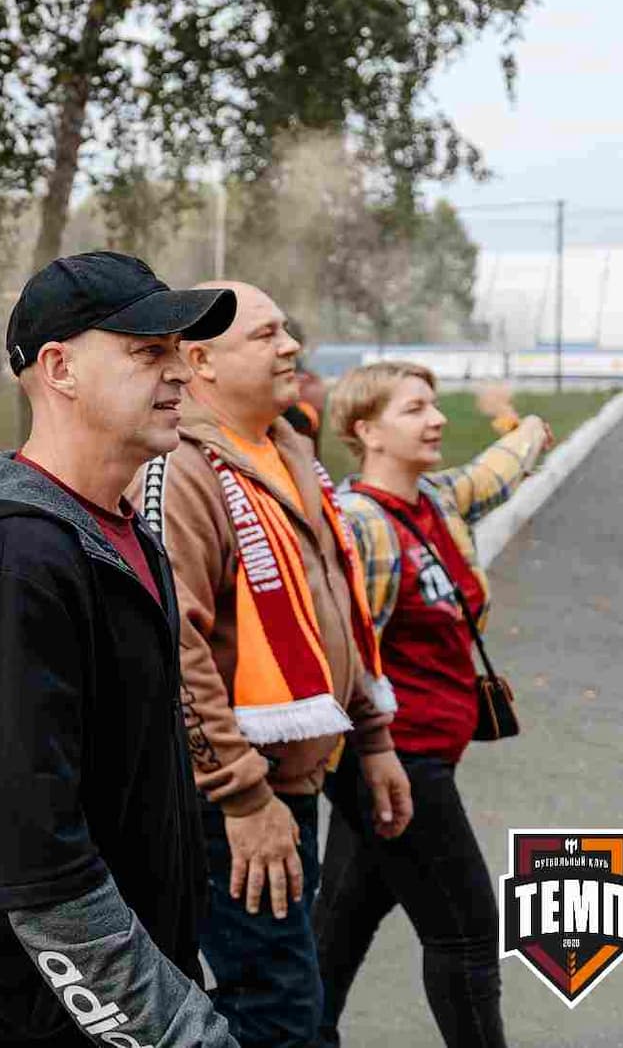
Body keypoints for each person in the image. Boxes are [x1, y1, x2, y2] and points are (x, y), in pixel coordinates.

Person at [0, 252, 238, 1047]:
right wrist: (171, 1025)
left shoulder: (121, 535)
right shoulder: (14, 561)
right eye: (149, 352)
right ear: (60, 368)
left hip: (96, 1004)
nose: (181, 373)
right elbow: (41, 868)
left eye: (179, 350)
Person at [137, 282, 412, 1048]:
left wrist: (373, 738)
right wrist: (242, 799)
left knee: (289, 989)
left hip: (289, 786)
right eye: (265, 335)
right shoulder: (183, 468)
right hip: (229, 803)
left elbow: (335, 608)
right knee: (276, 1006)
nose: (291, 344)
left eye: (286, 328)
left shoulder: (289, 449)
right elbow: (174, 647)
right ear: (200, 362)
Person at [314, 364, 550, 1048]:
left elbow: (498, 471)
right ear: (367, 431)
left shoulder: (436, 503)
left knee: (339, 928)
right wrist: (370, 750)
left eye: (436, 405)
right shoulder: (361, 525)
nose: (437, 418)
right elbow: (348, 655)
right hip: (395, 760)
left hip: (420, 755)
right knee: (469, 931)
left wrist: (524, 425)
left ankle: (296, 1034)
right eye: (416, 408)